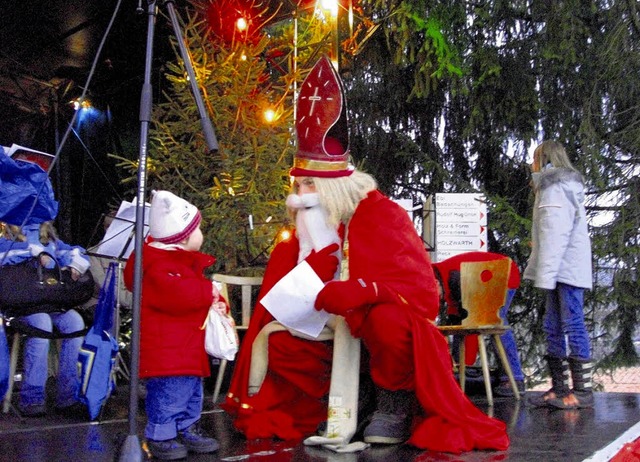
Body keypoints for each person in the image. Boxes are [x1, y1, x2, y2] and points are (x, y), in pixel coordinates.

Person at [222, 56, 509, 453]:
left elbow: (422, 295)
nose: (299, 196)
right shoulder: (300, 237)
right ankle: (329, 406)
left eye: (308, 185)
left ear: (333, 190)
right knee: (282, 342)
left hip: (369, 320)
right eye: (298, 184)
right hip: (323, 329)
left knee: (390, 324)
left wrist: (364, 289)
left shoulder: (380, 214)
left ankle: (392, 402)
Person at [123, 190, 222, 460]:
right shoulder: (161, 266)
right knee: (170, 394)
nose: (201, 233)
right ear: (182, 236)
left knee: (190, 391)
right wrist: (208, 291)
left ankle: (186, 427)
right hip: (169, 352)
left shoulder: (174, 263)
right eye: (197, 229)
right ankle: (161, 434)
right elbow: (181, 296)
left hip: (184, 348)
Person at [524, 140, 594, 409]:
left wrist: (546, 273)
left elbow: (555, 234)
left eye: (535, 158)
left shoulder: (556, 188)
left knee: (572, 323)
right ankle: (560, 387)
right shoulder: (551, 188)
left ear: (544, 159)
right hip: (559, 268)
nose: (532, 163)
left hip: (565, 268)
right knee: (552, 325)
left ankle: (582, 393)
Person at [0, 221, 91, 417]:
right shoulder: (5, 232)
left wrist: (76, 262)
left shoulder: (47, 235)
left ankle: (68, 396)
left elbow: (73, 251)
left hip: (48, 300)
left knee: (74, 321)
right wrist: (28, 251)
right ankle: (32, 398)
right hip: (20, 304)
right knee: (41, 322)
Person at [432, 251, 526, 397]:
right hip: (485, 276)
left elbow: (470, 324)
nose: (438, 300)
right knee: (465, 323)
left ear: (435, 283)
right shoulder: (444, 279)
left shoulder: (450, 278)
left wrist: (464, 365)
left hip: (502, 274)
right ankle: (463, 375)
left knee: (495, 321)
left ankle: (514, 377)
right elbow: (460, 323)